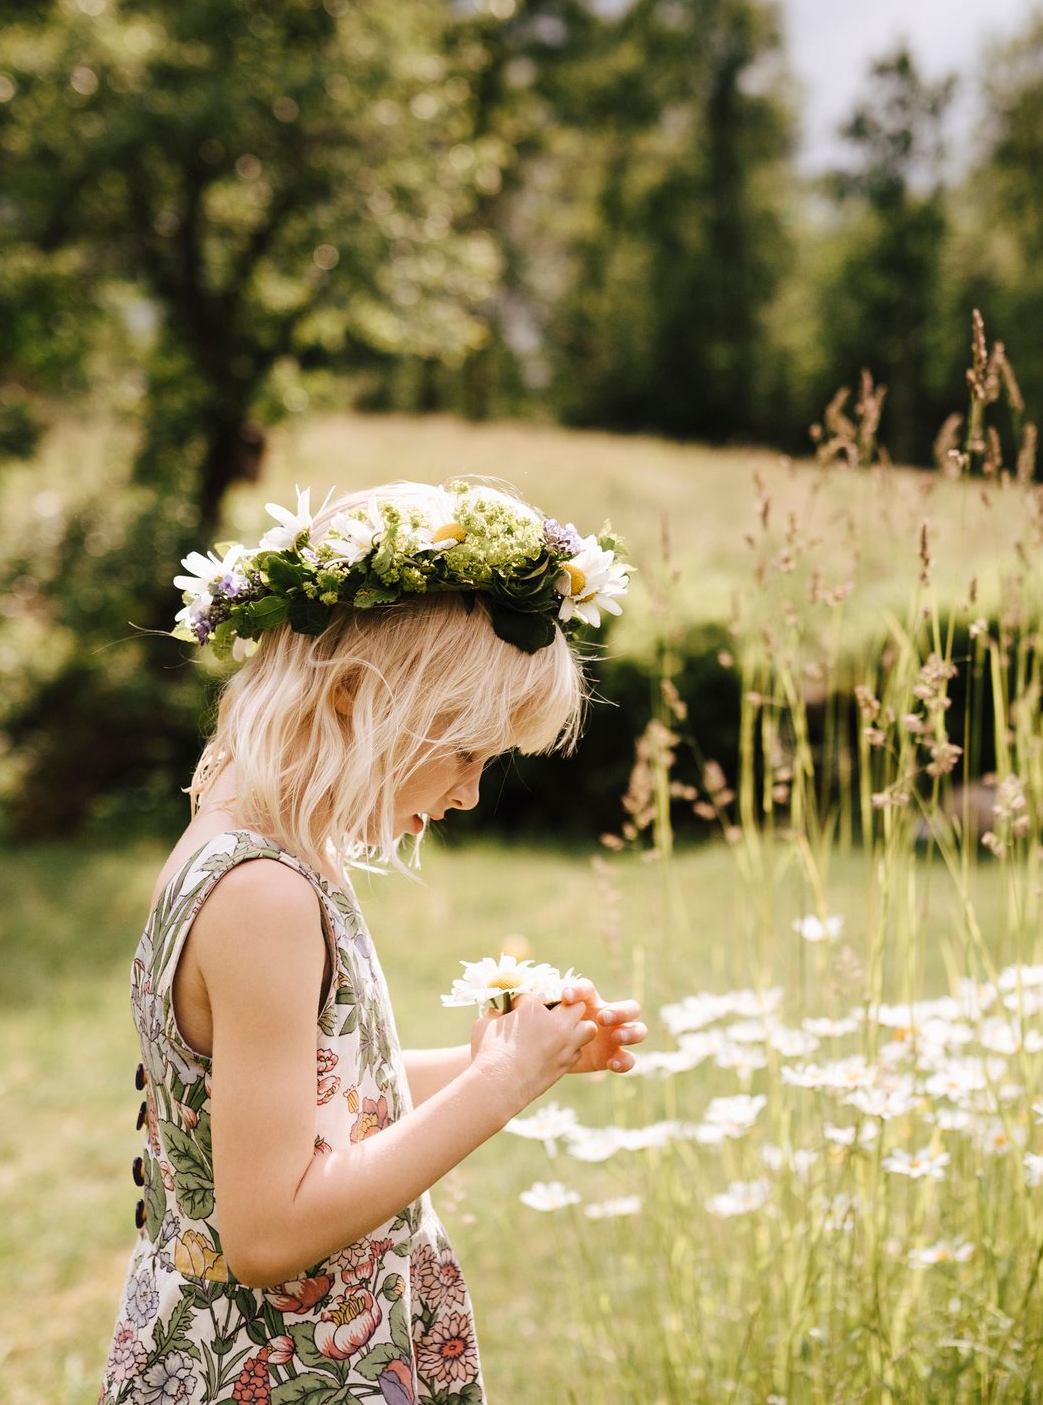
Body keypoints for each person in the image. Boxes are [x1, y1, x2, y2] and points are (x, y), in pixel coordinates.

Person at [98, 479, 649, 1405]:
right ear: (355, 697)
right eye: (466, 751)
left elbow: (308, 1099)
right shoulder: (261, 895)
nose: (471, 793)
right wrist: (497, 1086)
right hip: (279, 1367)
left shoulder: (258, 850)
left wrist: (500, 1055)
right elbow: (269, 1234)